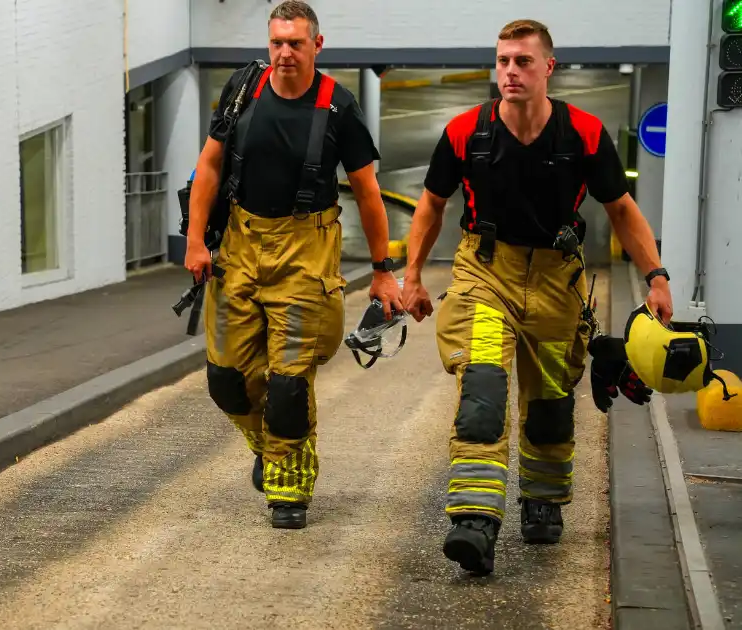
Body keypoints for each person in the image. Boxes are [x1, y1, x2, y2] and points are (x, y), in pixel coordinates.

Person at [399, 19, 673, 574]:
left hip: (557, 279)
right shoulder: (464, 133)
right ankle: (474, 519)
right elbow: (430, 204)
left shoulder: (585, 135)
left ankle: (543, 499)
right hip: (485, 271)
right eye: (502, 61)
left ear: (549, 67)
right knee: (482, 385)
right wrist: (411, 276)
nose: (510, 71)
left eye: (523, 61)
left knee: (550, 398)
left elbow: (622, 209)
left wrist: (657, 277)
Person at [184, 0, 402, 530]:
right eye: (277, 42)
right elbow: (210, 165)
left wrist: (382, 269)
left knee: (287, 384)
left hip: (305, 252)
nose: (284, 53)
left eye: (296, 43)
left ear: (316, 46)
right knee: (225, 381)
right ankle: (275, 450)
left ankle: (290, 489)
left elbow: (370, 195)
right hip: (238, 246)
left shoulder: (338, 107)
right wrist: (194, 241)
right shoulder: (242, 89)